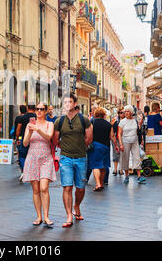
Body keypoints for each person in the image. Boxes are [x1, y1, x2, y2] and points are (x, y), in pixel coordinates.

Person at [53, 94, 92, 228]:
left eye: (70, 102)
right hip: (65, 158)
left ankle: (76, 205)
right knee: (67, 186)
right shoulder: (59, 121)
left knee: (80, 188)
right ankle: (69, 215)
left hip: (81, 158)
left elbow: (89, 139)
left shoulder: (84, 120)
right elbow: (55, 139)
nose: (67, 104)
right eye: (65, 102)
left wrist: (79, 148)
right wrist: (64, 148)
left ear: (75, 104)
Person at [23, 102, 56, 228]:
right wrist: (31, 131)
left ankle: (46, 216)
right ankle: (39, 216)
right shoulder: (29, 125)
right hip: (32, 158)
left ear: (46, 111)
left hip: (46, 159)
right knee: (36, 190)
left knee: (44, 188)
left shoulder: (49, 124)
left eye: (42, 109)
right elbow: (25, 143)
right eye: (37, 109)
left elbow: (48, 137)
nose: (39, 111)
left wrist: (37, 129)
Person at [87, 107, 117, 191]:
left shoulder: (92, 123)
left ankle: (98, 184)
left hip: (95, 146)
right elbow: (112, 136)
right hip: (106, 147)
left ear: (96, 114)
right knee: (103, 166)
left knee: (95, 165)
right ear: (104, 115)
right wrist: (116, 146)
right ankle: (101, 182)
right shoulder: (108, 124)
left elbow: (88, 134)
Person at [118, 105, 146, 184]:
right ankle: (126, 176)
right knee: (125, 158)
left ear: (131, 112)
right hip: (125, 141)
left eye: (128, 111)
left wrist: (141, 141)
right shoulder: (122, 122)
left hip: (135, 141)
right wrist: (120, 144)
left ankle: (139, 176)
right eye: (125, 111)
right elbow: (119, 134)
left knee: (137, 157)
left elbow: (138, 131)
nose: (126, 113)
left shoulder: (135, 120)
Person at [15, 105, 37, 181]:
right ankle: (32, 172)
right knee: (33, 156)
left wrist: (17, 138)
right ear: (34, 109)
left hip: (24, 139)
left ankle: (24, 171)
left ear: (27, 108)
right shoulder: (36, 117)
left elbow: (18, 129)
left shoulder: (22, 117)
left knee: (22, 155)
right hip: (34, 139)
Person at [111, 108, 125, 175]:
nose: (121, 114)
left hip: (123, 139)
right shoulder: (115, 120)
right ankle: (115, 169)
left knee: (122, 154)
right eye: (120, 112)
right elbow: (111, 129)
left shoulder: (126, 121)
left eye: (123, 112)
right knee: (115, 153)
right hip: (116, 139)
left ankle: (121, 169)